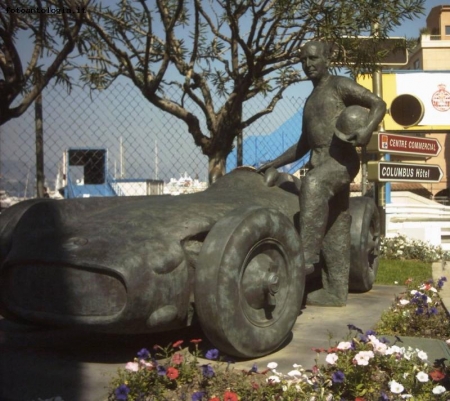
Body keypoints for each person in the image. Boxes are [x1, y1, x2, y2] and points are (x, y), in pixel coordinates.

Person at [258, 41, 386, 306]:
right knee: (336, 224)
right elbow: (303, 144)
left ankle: (305, 256)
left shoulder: (339, 85)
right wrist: (274, 162)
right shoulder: (310, 100)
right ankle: (336, 291)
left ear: (328, 57)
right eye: (303, 60)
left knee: (313, 184)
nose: (308, 64)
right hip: (320, 160)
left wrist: (367, 130)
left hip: (340, 160)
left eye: (314, 58)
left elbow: (378, 103)